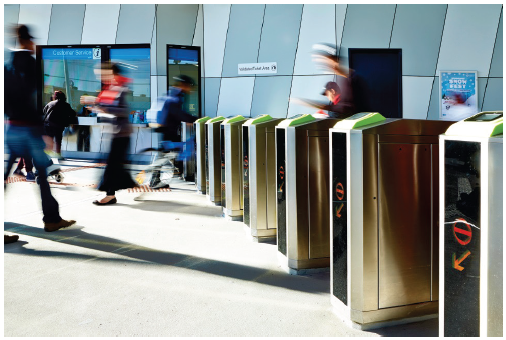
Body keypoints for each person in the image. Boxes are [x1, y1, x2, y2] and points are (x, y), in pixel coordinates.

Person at [4, 24, 76, 243]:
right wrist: (41, 130)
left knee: (5, 178)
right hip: (29, 128)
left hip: (12, 126)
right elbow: (33, 99)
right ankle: (51, 219)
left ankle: (52, 218)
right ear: (28, 41)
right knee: (42, 176)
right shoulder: (32, 64)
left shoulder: (8, 64)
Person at [81, 62, 137, 205]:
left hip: (121, 133)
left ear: (111, 73)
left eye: (101, 73)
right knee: (115, 164)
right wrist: (97, 107)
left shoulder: (120, 88)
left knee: (112, 164)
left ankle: (110, 194)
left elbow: (123, 111)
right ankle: (128, 184)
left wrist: (98, 104)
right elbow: (109, 110)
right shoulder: (112, 88)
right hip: (116, 132)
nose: (100, 76)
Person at [150, 75, 198, 188]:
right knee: (166, 153)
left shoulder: (171, 93)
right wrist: (194, 119)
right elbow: (178, 113)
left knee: (170, 152)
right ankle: (156, 179)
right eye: (189, 86)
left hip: (166, 128)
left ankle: (177, 172)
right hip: (169, 129)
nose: (190, 89)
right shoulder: (177, 96)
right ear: (184, 85)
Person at [42, 90, 77, 159]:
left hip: (48, 125)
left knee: (49, 140)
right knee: (58, 140)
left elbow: (44, 111)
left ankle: (47, 155)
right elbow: (73, 113)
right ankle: (58, 155)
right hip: (59, 125)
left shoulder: (50, 104)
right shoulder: (66, 105)